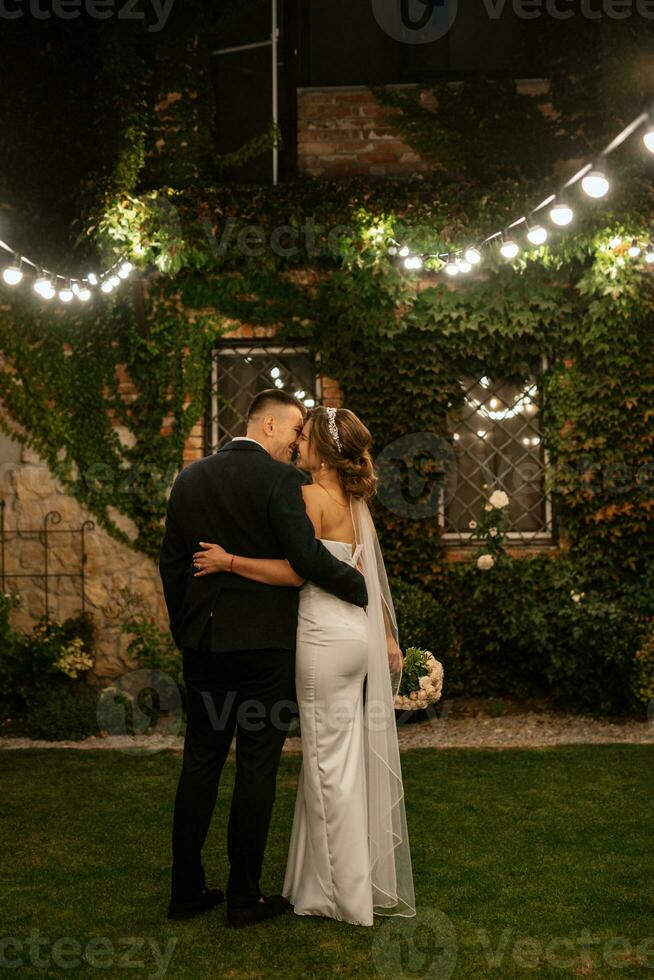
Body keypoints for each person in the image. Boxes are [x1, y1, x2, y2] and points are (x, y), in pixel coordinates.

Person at [193, 405, 416, 926]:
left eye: (306, 436)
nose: (299, 444)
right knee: (343, 762)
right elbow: (372, 581)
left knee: (324, 768)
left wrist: (229, 561)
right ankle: (314, 880)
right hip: (357, 637)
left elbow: (297, 573)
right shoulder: (356, 504)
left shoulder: (310, 497)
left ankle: (342, 895)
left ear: (325, 451)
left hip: (323, 641)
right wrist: (386, 635)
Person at [159, 390, 368, 928]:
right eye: (295, 429)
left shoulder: (191, 477)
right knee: (256, 768)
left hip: (204, 646)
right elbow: (304, 560)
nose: (298, 440)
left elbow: (172, 562)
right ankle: (242, 897)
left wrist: (185, 626)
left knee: (200, 764)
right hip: (265, 650)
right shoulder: (284, 483)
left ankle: (185, 892)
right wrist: (357, 583)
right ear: (269, 426)